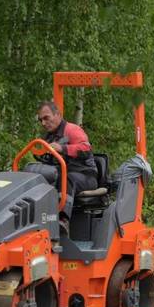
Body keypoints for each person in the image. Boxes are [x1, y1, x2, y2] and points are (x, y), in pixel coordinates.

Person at [35, 100, 98, 234]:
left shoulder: (72, 129)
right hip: (63, 173)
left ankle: (63, 220)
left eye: (46, 118)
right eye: (41, 120)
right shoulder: (48, 137)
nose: (43, 123)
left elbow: (86, 149)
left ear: (57, 114)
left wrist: (63, 148)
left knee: (66, 178)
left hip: (85, 176)